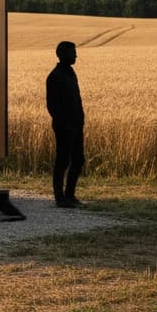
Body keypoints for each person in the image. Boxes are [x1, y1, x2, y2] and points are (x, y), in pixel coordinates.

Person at [46, 40, 86, 208]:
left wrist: (81, 118)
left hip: (76, 125)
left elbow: (77, 98)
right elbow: (52, 106)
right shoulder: (55, 76)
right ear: (62, 55)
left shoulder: (70, 73)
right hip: (64, 127)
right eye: (72, 53)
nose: (75, 55)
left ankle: (70, 195)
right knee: (62, 161)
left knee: (78, 159)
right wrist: (65, 124)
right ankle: (60, 198)